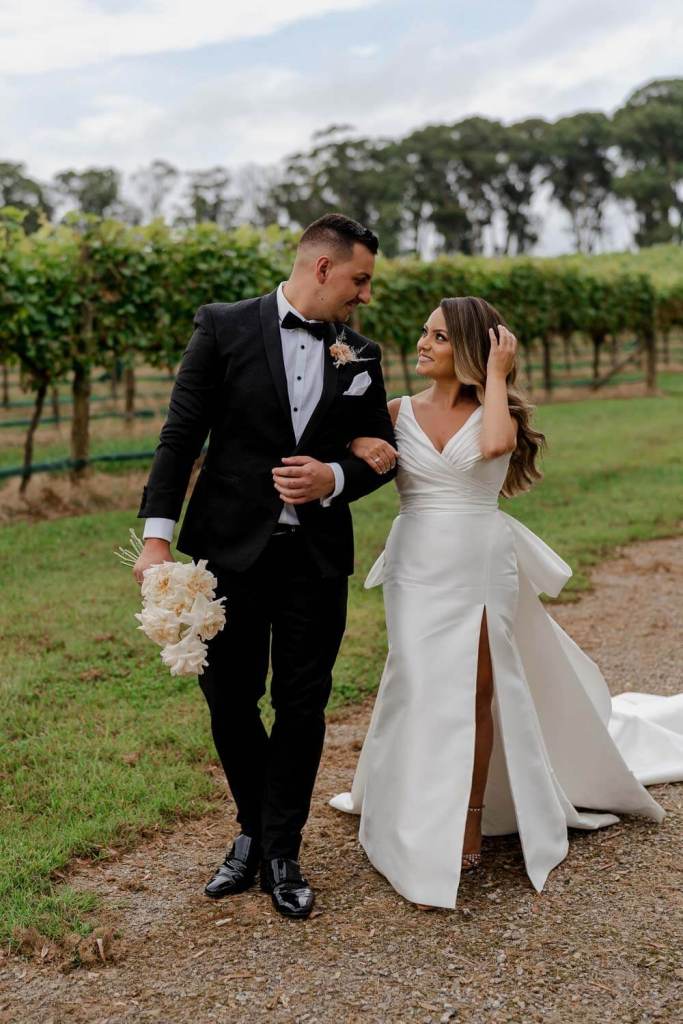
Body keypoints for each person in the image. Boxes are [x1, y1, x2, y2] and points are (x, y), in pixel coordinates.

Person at [330, 295, 683, 911]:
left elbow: (494, 445)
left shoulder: (497, 412)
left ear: (469, 349)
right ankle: (407, 811)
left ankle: (469, 819)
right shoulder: (395, 411)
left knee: (478, 690)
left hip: (480, 560)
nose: (422, 344)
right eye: (424, 332)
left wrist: (495, 375)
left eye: (439, 337)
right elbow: (347, 447)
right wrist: (361, 443)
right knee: (416, 683)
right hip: (416, 564)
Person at [133, 214, 399, 919]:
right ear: (322, 267)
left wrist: (333, 477)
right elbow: (180, 435)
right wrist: (157, 540)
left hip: (315, 559)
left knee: (302, 704)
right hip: (227, 555)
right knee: (228, 697)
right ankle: (253, 827)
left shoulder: (360, 354)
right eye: (359, 279)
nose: (365, 295)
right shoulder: (222, 327)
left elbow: (379, 449)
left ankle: (281, 849)